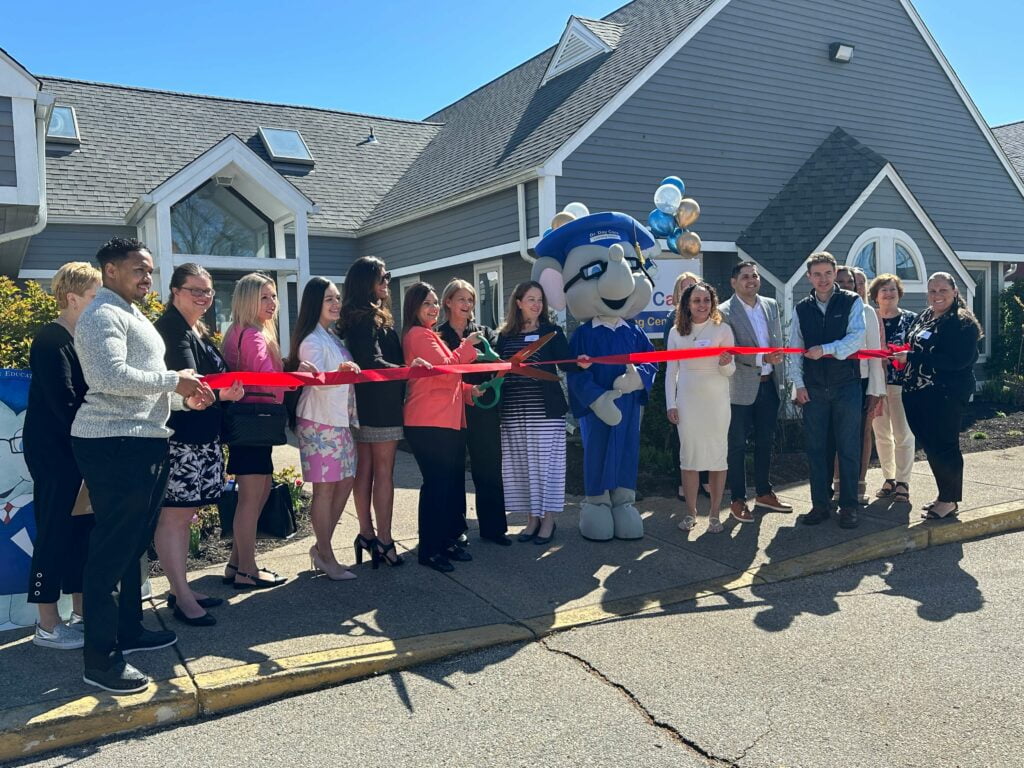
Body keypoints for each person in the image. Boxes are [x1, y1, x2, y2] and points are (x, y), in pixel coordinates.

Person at [72, 236, 212, 693]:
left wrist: (186, 397)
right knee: (111, 551)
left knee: (132, 547)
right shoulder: (101, 314)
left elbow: (148, 389)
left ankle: (128, 630)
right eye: (138, 269)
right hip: (113, 442)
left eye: (150, 270)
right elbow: (107, 377)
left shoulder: (133, 315)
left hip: (144, 439)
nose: (147, 278)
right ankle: (101, 660)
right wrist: (177, 380)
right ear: (110, 270)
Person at [154, 264, 244, 626]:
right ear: (175, 291)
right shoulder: (171, 331)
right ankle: (181, 595)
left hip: (202, 438)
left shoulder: (196, 330)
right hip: (182, 441)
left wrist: (223, 394)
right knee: (174, 517)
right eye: (196, 290)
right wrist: (221, 392)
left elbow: (210, 385)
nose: (205, 297)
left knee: (184, 515)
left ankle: (182, 588)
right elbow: (190, 384)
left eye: (208, 291)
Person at [24, 262, 100, 650]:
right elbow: (66, 404)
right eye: (93, 296)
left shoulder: (80, 338)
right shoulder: (51, 341)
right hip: (56, 455)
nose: (100, 303)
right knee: (54, 533)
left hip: (78, 452)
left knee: (80, 533)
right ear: (72, 298)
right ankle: (47, 624)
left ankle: (83, 614)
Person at [338, 257, 415, 567]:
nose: (387, 282)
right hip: (380, 407)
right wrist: (409, 371)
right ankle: (384, 539)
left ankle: (367, 534)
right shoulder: (367, 319)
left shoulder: (358, 316)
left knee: (367, 472)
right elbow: (372, 362)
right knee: (383, 473)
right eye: (382, 277)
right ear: (365, 282)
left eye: (388, 276)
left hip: (365, 405)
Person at [401, 282, 481, 572]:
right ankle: (430, 550)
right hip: (429, 421)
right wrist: (467, 346)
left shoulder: (428, 333)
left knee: (446, 486)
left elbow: (445, 377)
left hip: (443, 419)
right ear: (414, 308)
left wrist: (471, 392)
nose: (433, 308)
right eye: (427, 304)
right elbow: (447, 370)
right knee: (436, 486)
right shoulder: (419, 334)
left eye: (435, 303)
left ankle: (445, 541)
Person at [287, 277, 362, 579]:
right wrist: (339, 372)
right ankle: (326, 555)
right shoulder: (311, 340)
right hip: (319, 421)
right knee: (325, 488)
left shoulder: (330, 336)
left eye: (337, 298)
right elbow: (316, 382)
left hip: (339, 421)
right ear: (314, 303)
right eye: (329, 299)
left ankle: (321, 548)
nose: (336, 304)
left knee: (344, 481)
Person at [894, 272, 981, 519]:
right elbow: (915, 346)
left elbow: (957, 361)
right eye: (932, 291)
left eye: (943, 290)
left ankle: (949, 500)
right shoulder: (926, 316)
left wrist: (911, 357)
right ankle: (944, 494)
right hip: (916, 393)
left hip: (945, 395)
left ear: (955, 292)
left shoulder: (962, 322)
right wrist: (905, 354)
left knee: (945, 446)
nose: (937, 295)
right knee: (932, 447)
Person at [789, 252, 866, 529]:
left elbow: (856, 338)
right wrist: (798, 385)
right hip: (814, 390)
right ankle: (820, 505)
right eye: (817, 274)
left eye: (828, 273)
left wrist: (827, 350)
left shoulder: (852, 301)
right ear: (809, 277)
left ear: (835, 275)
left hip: (846, 386)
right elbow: (795, 350)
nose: (823, 279)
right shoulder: (802, 308)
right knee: (817, 450)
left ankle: (849, 507)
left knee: (848, 449)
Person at [222, 273, 289, 590]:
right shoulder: (253, 335)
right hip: (255, 422)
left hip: (246, 422)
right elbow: (266, 377)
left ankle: (236, 562)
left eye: (274, 296)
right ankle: (247, 570)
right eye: (264, 297)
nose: (272, 303)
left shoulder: (237, 332)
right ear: (248, 300)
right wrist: (297, 379)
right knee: (252, 497)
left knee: (258, 492)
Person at [497, 281, 573, 545]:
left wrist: (582, 361)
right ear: (518, 303)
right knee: (522, 467)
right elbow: (496, 370)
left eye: (540, 299)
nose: (536, 304)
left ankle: (548, 520)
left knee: (546, 468)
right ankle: (531, 519)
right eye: (530, 299)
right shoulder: (505, 336)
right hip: (514, 413)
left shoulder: (551, 331)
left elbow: (569, 363)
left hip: (545, 413)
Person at [718, 261, 792, 522]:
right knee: (737, 445)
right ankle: (737, 499)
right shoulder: (723, 312)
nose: (751, 280)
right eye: (745, 277)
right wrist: (762, 360)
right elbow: (728, 353)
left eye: (755, 276)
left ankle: (763, 492)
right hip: (740, 388)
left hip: (769, 386)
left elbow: (777, 343)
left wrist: (777, 367)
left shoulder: (771, 305)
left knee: (765, 442)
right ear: (733, 282)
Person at [437, 278, 509, 545]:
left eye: (470, 300)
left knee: (489, 467)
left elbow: (497, 365)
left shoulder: (485, 333)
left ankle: (494, 529)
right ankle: (456, 530)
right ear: (448, 302)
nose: (467, 305)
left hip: (484, 408)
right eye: (461, 299)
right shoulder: (438, 335)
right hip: (452, 409)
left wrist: (496, 371)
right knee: (453, 470)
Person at [665, 282, 735, 533]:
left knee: (717, 457)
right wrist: (670, 404)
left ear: (713, 303)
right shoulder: (676, 333)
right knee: (690, 458)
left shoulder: (723, 329)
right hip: (687, 401)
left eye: (706, 300)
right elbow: (670, 371)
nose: (702, 305)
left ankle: (715, 513)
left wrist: (726, 362)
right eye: (697, 300)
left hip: (716, 402)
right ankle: (691, 513)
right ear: (687, 304)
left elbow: (730, 370)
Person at [838, 266, 886, 504]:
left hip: (863, 379)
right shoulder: (828, 310)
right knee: (838, 435)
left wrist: (876, 390)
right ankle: (838, 484)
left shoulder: (867, 312)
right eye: (843, 282)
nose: (848, 286)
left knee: (861, 433)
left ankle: (858, 483)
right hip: (835, 380)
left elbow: (876, 354)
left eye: (853, 282)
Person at [869, 274, 917, 504]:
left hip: (900, 384)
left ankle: (903, 482)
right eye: (884, 290)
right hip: (875, 384)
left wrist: (901, 357)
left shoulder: (911, 320)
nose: (888, 294)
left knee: (903, 434)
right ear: (875, 295)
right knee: (881, 434)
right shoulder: (868, 318)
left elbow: (918, 351)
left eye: (892, 290)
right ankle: (888, 478)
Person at [661, 271, 703, 502]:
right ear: (678, 294)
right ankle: (682, 482)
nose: (690, 292)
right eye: (685, 288)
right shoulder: (672, 320)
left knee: (705, 435)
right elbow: (671, 363)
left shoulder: (712, 321)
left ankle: (706, 480)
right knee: (683, 438)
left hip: (705, 390)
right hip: (682, 388)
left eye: (694, 287)